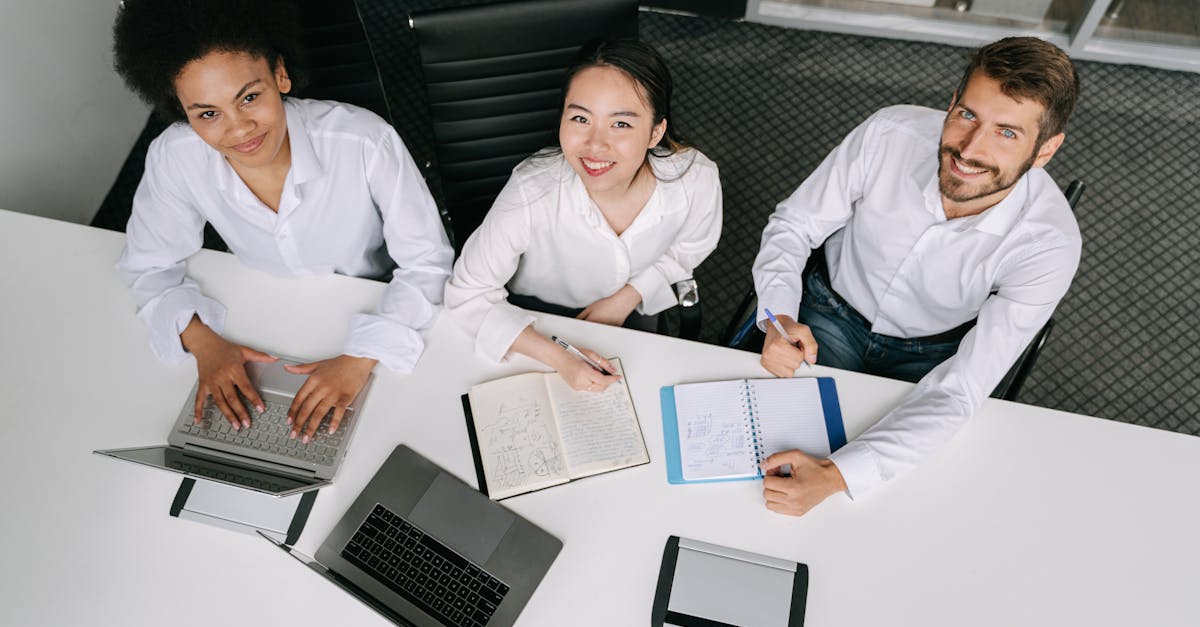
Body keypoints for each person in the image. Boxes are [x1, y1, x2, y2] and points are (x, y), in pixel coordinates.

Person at [752, 37, 1081, 515]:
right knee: (761, 453)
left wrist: (838, 476)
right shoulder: (889, 133)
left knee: (902, 502)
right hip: (827, 313)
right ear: (951, 103)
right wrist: (777, 313)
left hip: (931, 352)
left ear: (1045, 149)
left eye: (1006, 133)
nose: (969, 150)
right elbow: (794, 225)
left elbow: (961, 388)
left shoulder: (1050, 245)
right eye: (967, 115)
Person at [112, 0, 453, 443]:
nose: (239, 130)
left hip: (370, 300)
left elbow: (428, 263)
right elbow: (147, 265)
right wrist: (202, 341)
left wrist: (362, 357)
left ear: (280, 75)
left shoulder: (363, 140)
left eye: (249, 97)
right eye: (207, 114)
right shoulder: (175, 155)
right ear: (181, 111)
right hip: (261, 312)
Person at [444, 39, 722, 391]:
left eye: (620, 124)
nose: (594, 144)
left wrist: (629, 296)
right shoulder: (532, 190)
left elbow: (690, 247)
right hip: (534, 319)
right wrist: (560, 358)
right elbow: (466, 294)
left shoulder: (696, 179)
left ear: (656, 132)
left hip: (634, 308)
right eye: (580, 118)